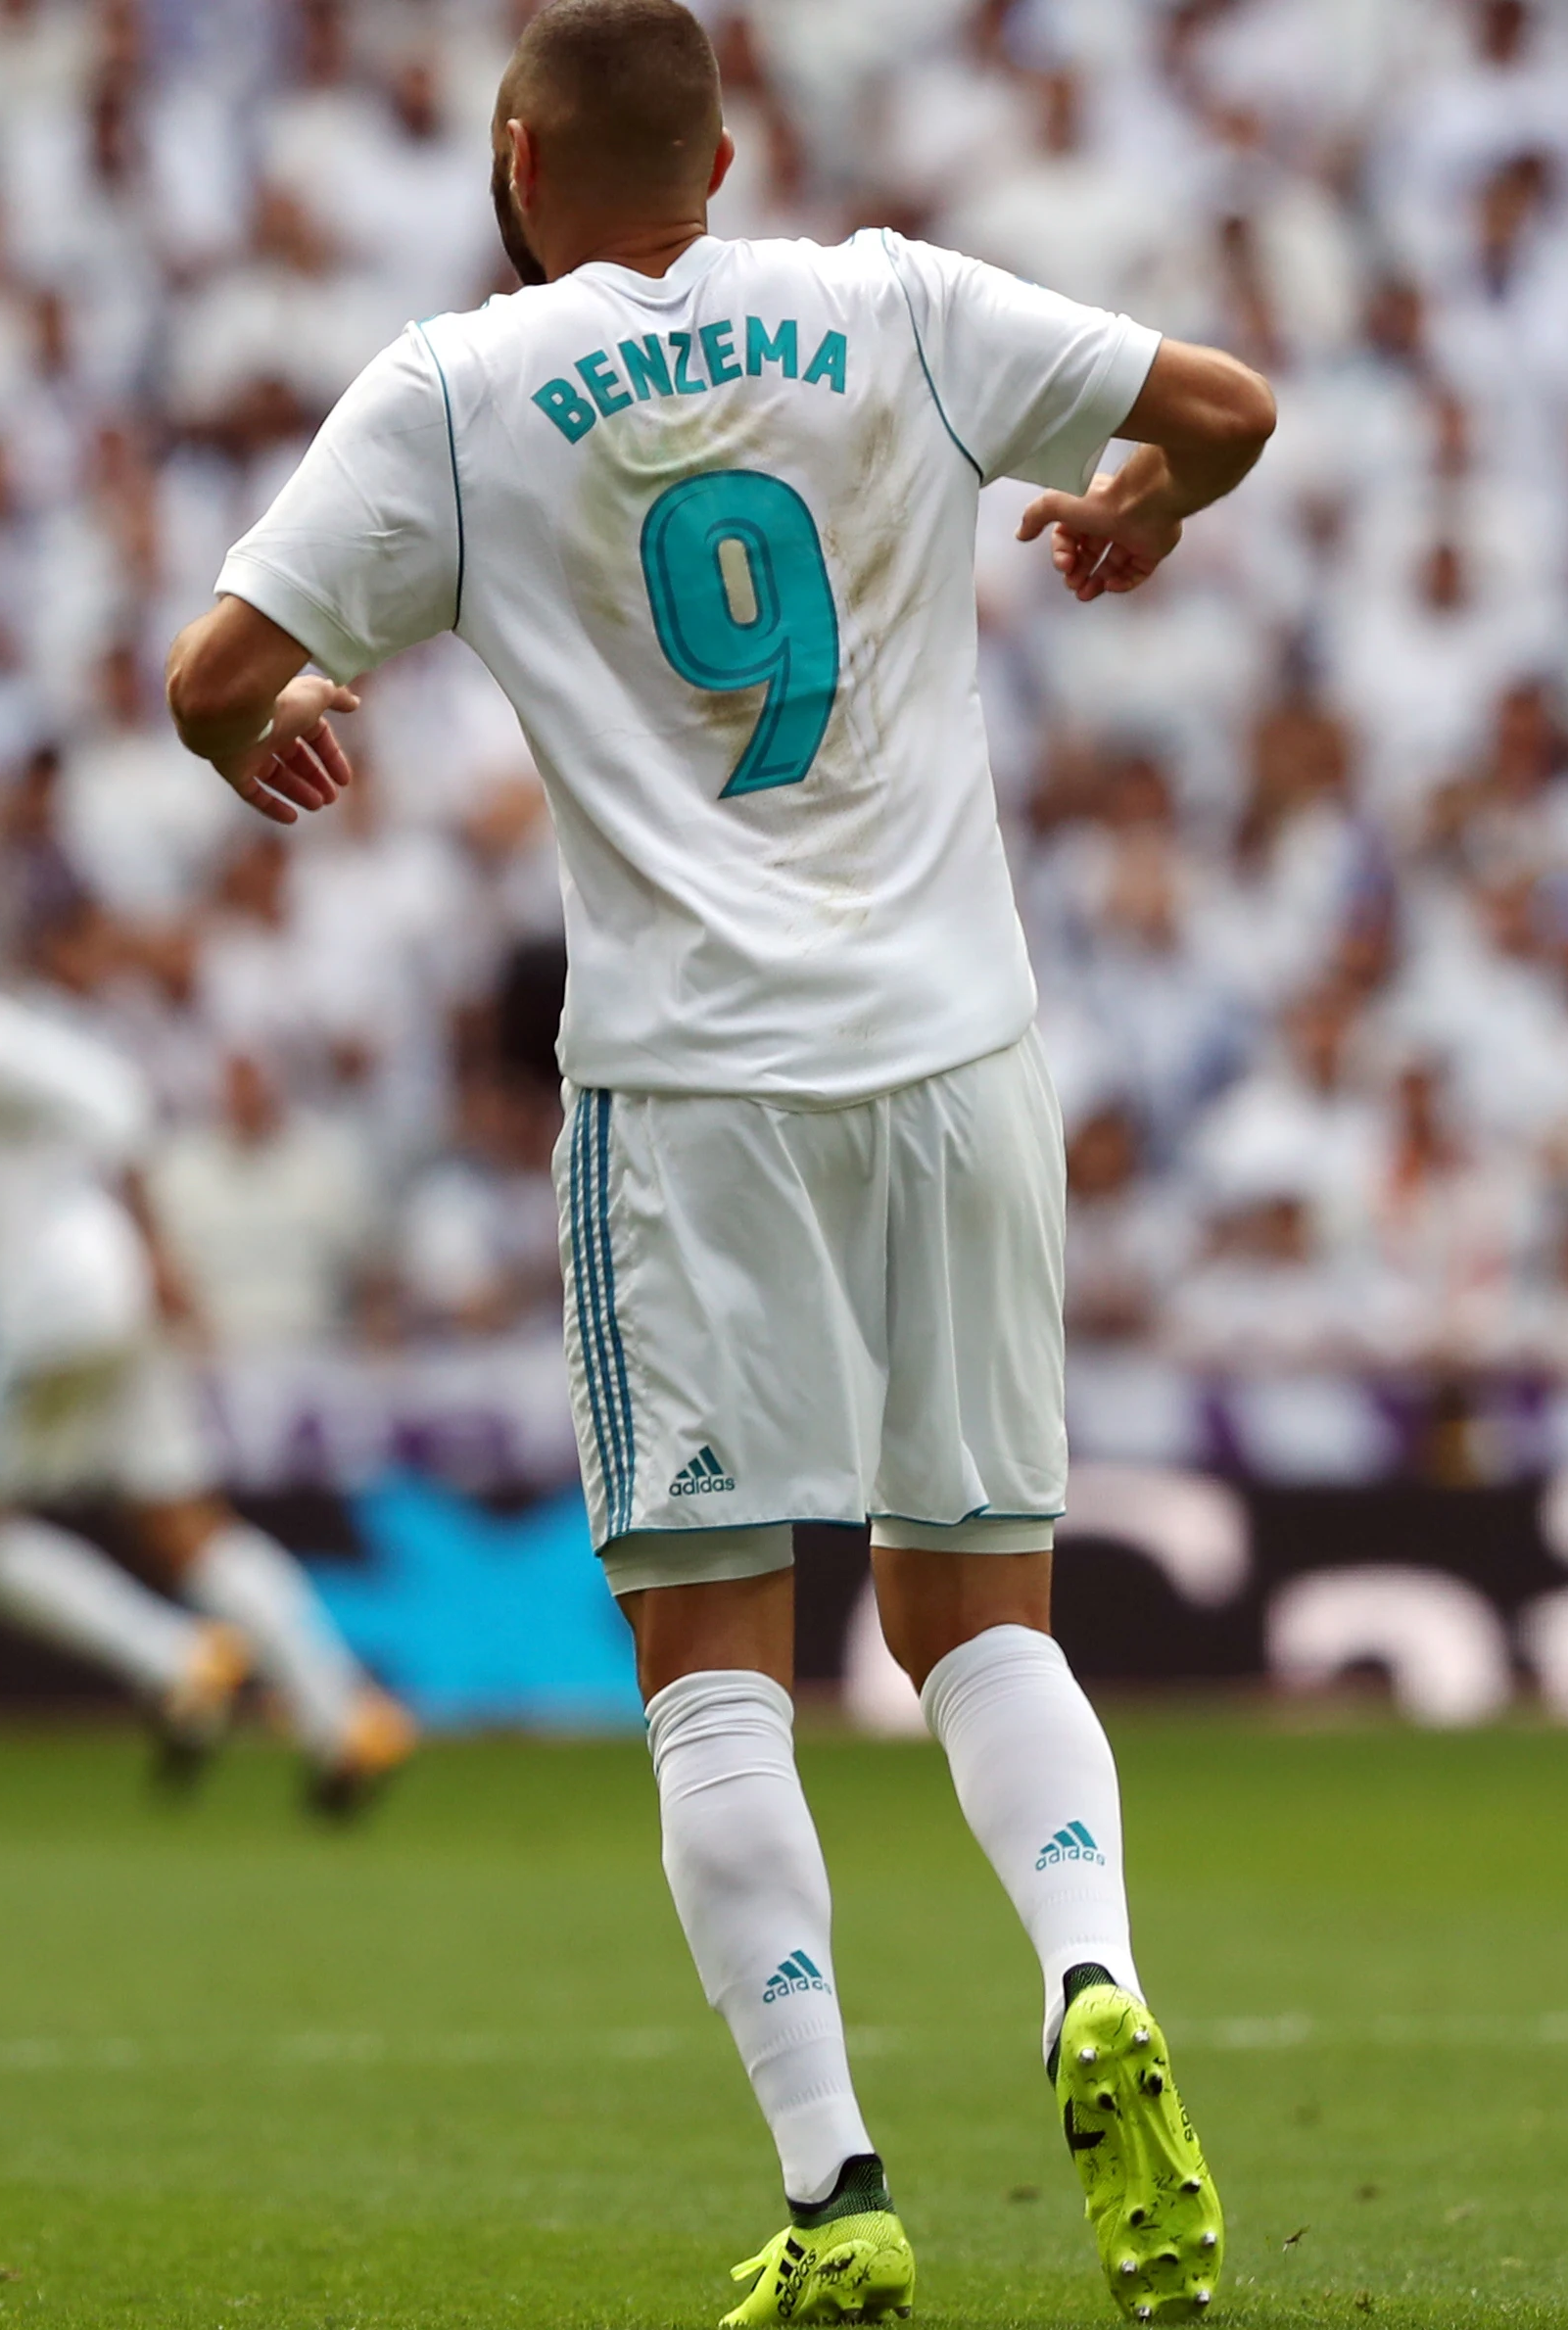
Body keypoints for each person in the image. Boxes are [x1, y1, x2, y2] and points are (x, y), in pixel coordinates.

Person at [163, 4, 1276, 2317]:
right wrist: (1136, 509)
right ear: (720, 156)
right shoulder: (888, 296)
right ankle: (1090, 1971)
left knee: (712, 1667)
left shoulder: (456, 390)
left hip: (688, 1087)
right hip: (959, 1048)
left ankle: (837, 2181)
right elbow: (1228, 413)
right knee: (979, 1606)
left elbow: (206, 668)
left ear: (514, 157)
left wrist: (264, 726)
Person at [0, 888, 414, 1813]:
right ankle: (344, 1720)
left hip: (54, 1299)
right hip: (105, 1288)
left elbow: (114, 1096)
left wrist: (158, 1244)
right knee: (182, 1522)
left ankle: (175, 1658)